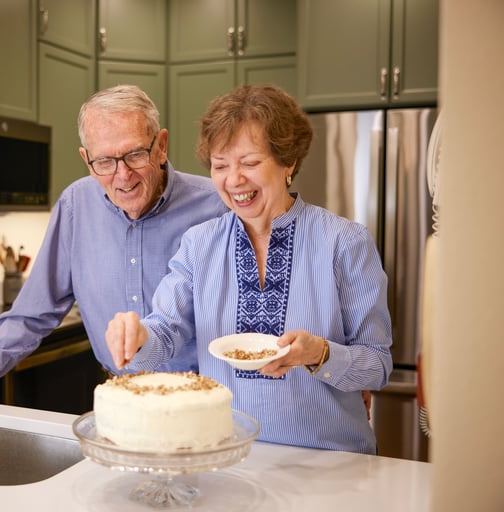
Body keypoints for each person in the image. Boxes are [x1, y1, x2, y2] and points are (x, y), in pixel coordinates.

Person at [0, 85, 228, 430]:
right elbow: (33, 313)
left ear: (161, 146)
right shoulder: (76, 206)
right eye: (104, 161)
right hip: (118, 406)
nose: (123, 175)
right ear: (87, 161)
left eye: (135, 154)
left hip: (204, 404)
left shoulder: (217, 205)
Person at [104, 84, 392, 454]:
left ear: (288, 162)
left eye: (250, 163)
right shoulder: (199, 244)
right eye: (220, 165)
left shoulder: (345, 242)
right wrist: (137, 335)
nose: (234, 180)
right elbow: (164, 333)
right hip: (229, 454)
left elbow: (378, 365)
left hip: (331, 458)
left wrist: (319, 354)